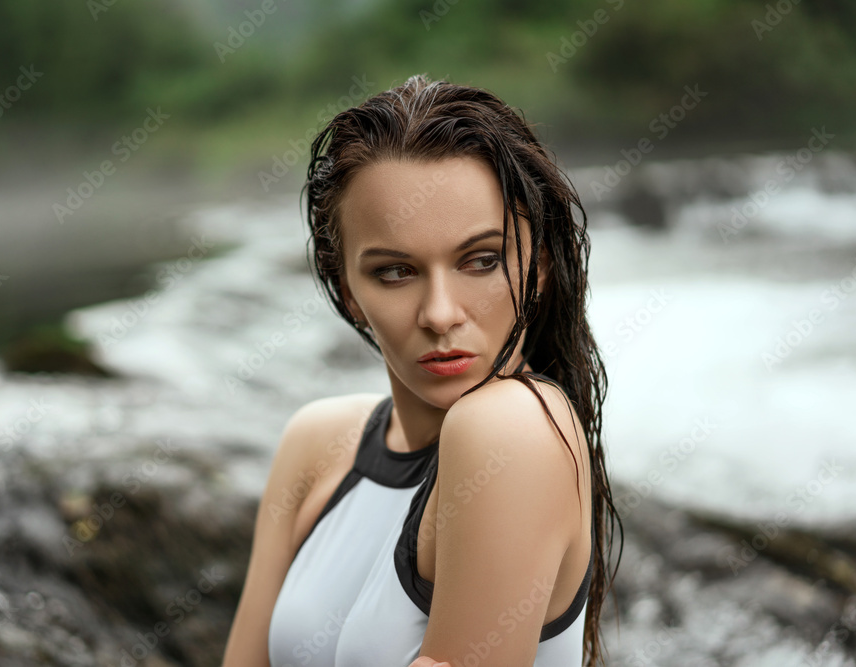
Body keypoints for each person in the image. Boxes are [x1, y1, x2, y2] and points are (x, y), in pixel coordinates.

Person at [221, 73, 622, 667]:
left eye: (481, 261)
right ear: (347, 288)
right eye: (394, 271)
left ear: (538, 269)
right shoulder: (318, 444)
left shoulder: (512, 429)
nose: (440, 313)